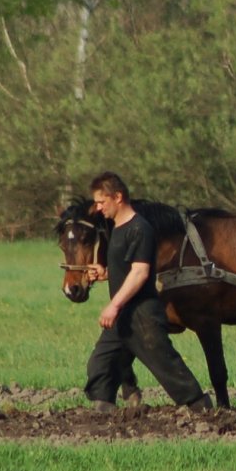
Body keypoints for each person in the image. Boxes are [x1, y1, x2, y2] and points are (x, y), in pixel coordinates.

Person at [84, 171, 212, 413]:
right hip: (125, 313)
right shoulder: (118, 229)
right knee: (100, 364)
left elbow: (141, 272)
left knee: (164, 363)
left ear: (118, 197)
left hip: (141, 313)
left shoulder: (140, 228)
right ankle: (103, 410)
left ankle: (199, 405)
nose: (98, 208)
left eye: (102, 202)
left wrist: (114, 305)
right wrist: (105, 273)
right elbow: (128, 267)